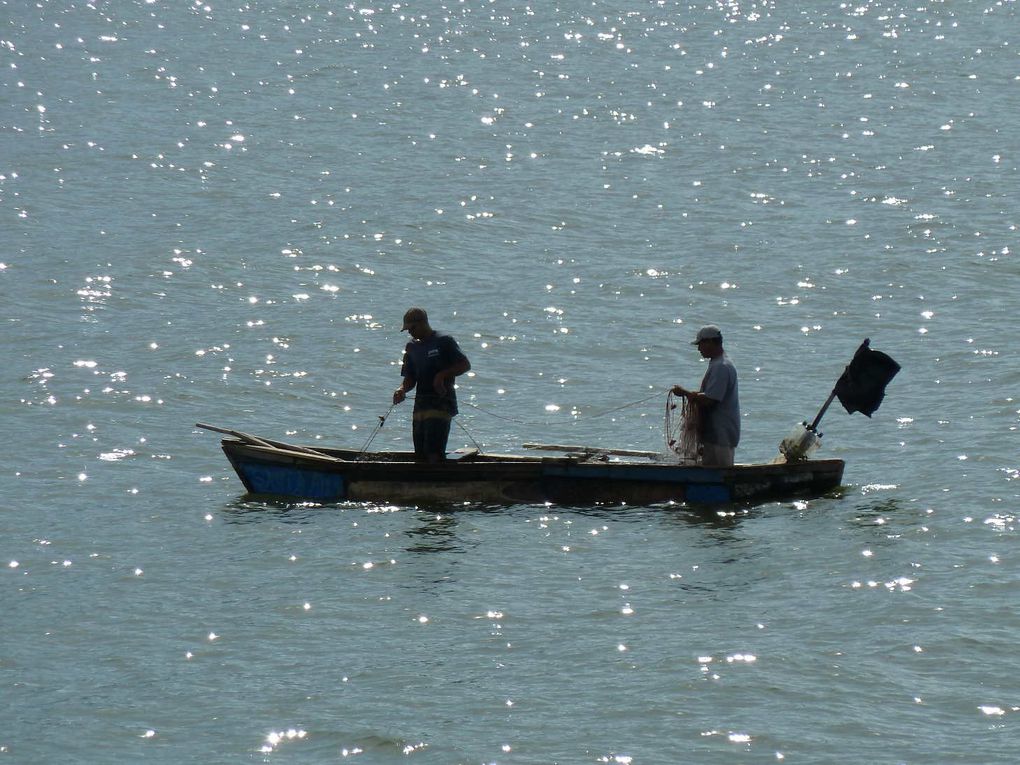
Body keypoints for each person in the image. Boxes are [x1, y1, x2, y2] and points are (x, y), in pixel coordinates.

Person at [392, 307, 471, 462]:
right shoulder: (411, 347)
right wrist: (401, 389)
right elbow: (410, 378)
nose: (410, 333)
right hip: (420, 406)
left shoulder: (444, 341)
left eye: (412, 328)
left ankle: (439, 480)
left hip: (441, 404)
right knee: (420, 453)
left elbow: (464, 365)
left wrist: (441, 376)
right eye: (407, 330)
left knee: (433, 451)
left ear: (422, 323)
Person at [672, 325, 740, 466]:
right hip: (716, 436)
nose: (699, 349)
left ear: (710, 342)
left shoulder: (721, 366)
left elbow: (710, 400)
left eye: (700, 344)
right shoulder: (718, 363)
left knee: (718, 477)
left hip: (720, 437)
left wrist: (684, 393)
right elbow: (710, 395)